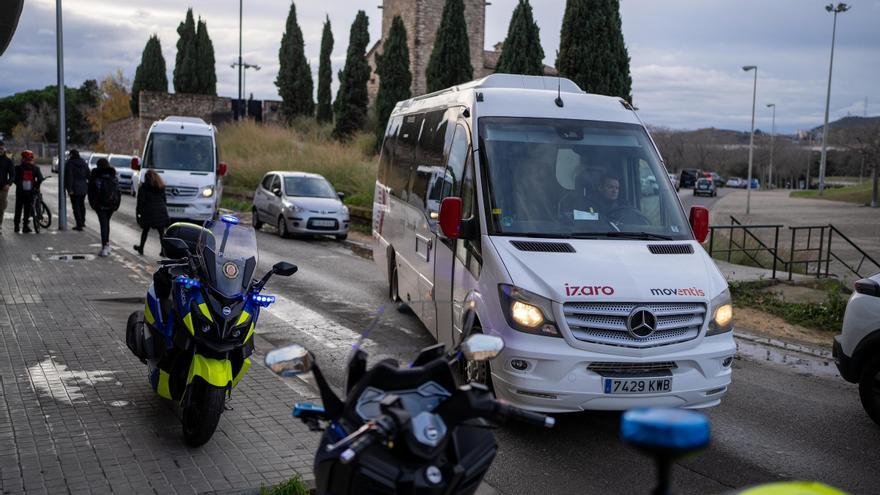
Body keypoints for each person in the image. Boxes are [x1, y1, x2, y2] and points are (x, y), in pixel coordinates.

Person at [88, 157, 121, 257]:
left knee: (103, 225)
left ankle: (105, 247)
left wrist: (93, 204)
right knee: (106, 224)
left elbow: (90, 191)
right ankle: (107, 244)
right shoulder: (113, 175)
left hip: (100, 205)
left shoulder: (95, 175)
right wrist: (116, 205)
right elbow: (118, 191)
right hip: (111, 205)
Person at [134, 169, 169, 255]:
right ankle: (163, 250)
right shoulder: (161, 187)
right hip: (161, 211)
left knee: (145, 231)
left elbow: (140, 203)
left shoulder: (143, 188)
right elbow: (164, 200)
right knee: (161, 233)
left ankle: (141, 248)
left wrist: (138, 215)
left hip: (148, 212)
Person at [13, 150, 45, 234]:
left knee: (18, 209)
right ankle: (25, 226)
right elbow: (40, 179)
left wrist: (19, 185)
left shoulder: (18, 168)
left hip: (20, 192)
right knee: (27, 209)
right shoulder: (35, 168)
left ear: (22, 158)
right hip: (30, 192)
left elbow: (14, 179)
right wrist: (36, 186)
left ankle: (16, 226)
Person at [64, 149, 90, 230]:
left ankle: (79, 225)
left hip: (74, 188)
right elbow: (88, 175)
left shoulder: (69, 163)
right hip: (83, 187)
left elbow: (69, 177)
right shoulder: (83, 163)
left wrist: (69, 189)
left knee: (76, 207)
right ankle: (82, 222)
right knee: (82, 205)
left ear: (71, 155)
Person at [0, 142, 13, 233]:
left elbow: (12, 175)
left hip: (3, 188)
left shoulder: (8, 161)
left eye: (1, 148)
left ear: (4, 149)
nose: (0, 150)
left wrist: (8, 184)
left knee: (1, 207)